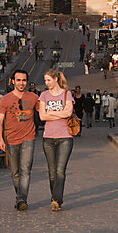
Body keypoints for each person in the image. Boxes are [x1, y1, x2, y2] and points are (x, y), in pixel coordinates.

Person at [0, 70, 39, 211]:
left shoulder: (33, 97)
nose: (21, 83)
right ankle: (19, 196)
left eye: (24, 80)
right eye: (19, 80)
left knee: (25, 170)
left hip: (28, 137)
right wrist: (0, 139)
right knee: (15, 173)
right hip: (12, 139)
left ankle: (22, 199)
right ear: (13, 81)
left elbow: (44, 112)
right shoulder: (5, 99)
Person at [39, 70, 74, 210]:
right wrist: (60, 114)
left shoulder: (67, 94)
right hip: (48, 137)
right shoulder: (43, 95)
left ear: (55, 79)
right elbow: (42, 116)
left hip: (65, 137)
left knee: (60, 171)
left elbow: (68, 112)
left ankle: (56, 200)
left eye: (48, 80)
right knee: (52, 171)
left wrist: (51, 113)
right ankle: (55, 196)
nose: (46, 83)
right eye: (45, 80)